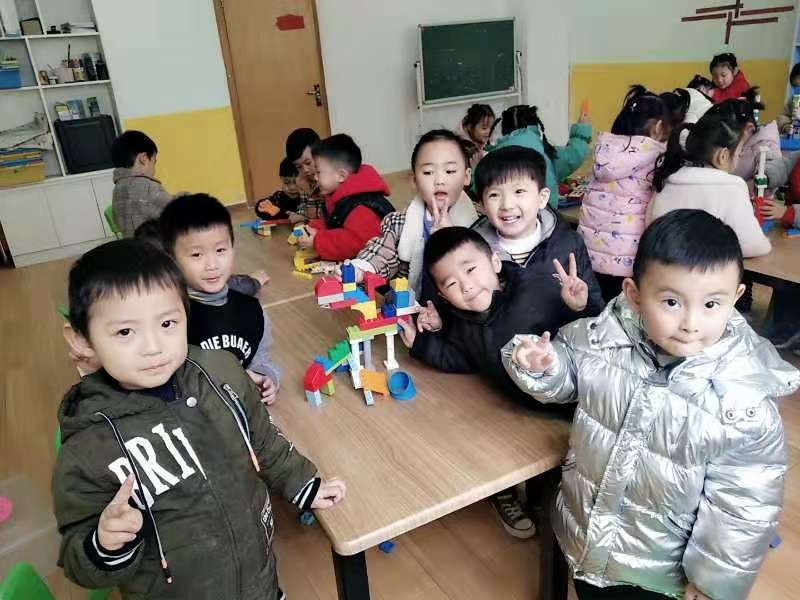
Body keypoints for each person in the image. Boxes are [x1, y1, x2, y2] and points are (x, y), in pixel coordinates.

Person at [502, 209, 799, 600]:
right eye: (672, 302)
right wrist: (542, 364)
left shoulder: (742, 400)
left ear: (737, 297)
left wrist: (713, 582)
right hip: (587, 537)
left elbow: (744, 505)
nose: (691, 323)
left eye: (712, 304)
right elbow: (568, 372)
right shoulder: (603, 338)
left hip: (661, 572)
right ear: (634, 295)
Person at [56, 239, 346, 599]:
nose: (154, 347)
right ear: (81, 340)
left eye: (167, 323)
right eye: (125, 332)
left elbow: (262, 437)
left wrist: (302, 483)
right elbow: (77, 557)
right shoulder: (88, 445)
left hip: (258, 574)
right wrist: (104, 543)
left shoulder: (221, 371)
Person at [398, 226, 596, 539]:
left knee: (572, 495)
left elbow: (596, 340)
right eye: (451, 284)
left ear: (495, 262)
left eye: (471, 270)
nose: (466, 286)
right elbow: (463, 358)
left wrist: (580, 306)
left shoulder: (537, 289)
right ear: (442, 295)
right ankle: (528, 504)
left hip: (577, 411)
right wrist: (422, 344)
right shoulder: (462, 321)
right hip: (526, 414)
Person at [160, 194, 282, 404]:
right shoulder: (167, 319)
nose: (212, 265)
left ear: (233, 247)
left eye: (220, 250)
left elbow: (260, 358)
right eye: (196, 255)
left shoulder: (252, 310)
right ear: (172, 259)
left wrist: (266, 378)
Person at [350, 129, 478, 298]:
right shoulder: (399, 223)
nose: (440, 180)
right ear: (414, 180)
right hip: (413, 308)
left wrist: (449, 239)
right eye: (428, 172)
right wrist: (360, 269)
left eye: (450, 171)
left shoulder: (480, 226)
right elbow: (382, 252)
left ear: (466, 177)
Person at [578, 85, 670, 302]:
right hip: (626, 259)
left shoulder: (604, 150)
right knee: (622, 310)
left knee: (595, 306)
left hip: (589, 253)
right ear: (658, 127)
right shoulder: (656, 156)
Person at [649, 108, 771, 258]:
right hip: (702, 270)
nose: (739, 157)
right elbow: (754, 246)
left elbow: (650, 228)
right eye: (739, 153)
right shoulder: (731, 187)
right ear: (723, 156)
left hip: (660, 267)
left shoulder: (668, 177)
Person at [297, 133, 394, 261]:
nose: (315, 178)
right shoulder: (339, 197)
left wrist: (317, 240)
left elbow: (355, 244)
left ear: (341, 176)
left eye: (318, 172)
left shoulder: (361, 208)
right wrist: (313, 228)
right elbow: (333, 222)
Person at [486, 104, 592, 208]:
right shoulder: (543, 149)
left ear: (503, 128)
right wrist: (582, 129)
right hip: (546, 214)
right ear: (536, 125)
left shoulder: (494, 154)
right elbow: (572, 157)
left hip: (509, 214)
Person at [110, 130, 174, 238]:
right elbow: (177, 210)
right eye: (154, 162)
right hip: (155, 246)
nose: (154, 169)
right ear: (144, 159)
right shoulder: (148, 186)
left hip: (132, 245)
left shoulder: (118, 189)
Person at [285, 127, 323, 220]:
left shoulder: (332, 178)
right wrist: (298, 215)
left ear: (320, 153)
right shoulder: (303, 180)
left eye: (308, 163)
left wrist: (304, 218)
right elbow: (303, 211)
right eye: (299, 167)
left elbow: (332, 216)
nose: (305, 170)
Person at [255, 157, 303, 223]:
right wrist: (263, 206)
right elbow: (264, 209)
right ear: (281, 180)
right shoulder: (279, 197)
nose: (292, 187)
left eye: (296, 182)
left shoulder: (310, 197)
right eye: (286, 182)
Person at [456, 103, 496, 168]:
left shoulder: (489, 142)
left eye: (491, 128)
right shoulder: (460, 149)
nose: (488, 132)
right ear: (469, 127)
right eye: (484, 128)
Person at [775, 63, 800, 134]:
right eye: (795, 86)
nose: (798, 90)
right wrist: (786, 126)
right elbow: (782, 116)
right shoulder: (793, 99)